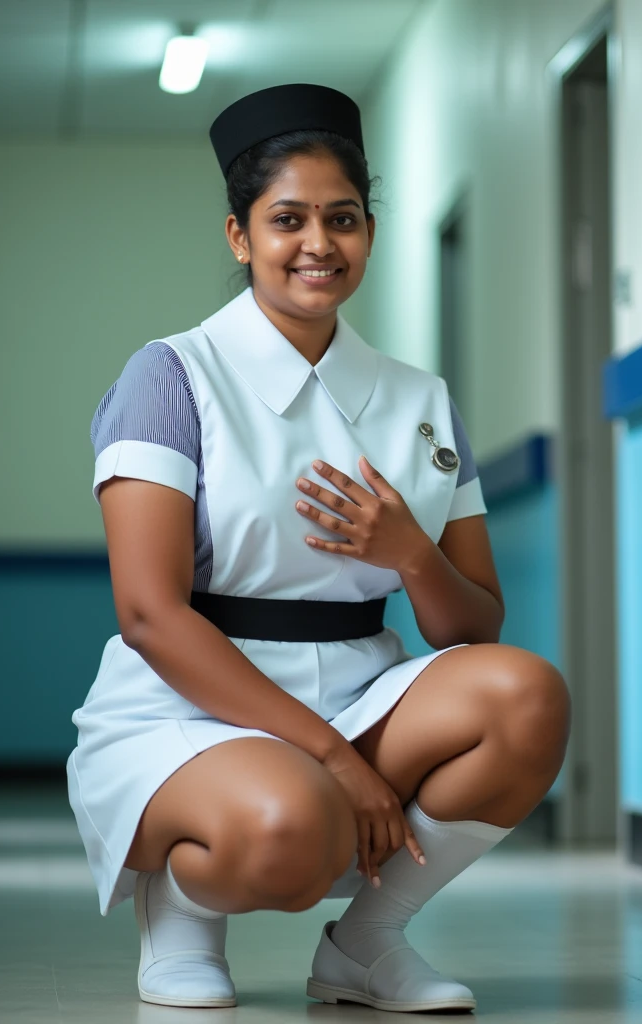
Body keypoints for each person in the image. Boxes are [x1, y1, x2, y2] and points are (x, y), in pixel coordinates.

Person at [66, 83, 570, 1013]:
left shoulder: (420, 398)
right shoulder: (171, 377)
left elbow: (478, 626)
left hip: (359, 683)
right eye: (286, 219)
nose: (318, 244)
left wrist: (413, 554)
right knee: (293, 830)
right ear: (238, 236)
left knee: (527, 697)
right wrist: (336, 766)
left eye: (342, 219)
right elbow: (147, 614)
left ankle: (365, 945)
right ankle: (177, 905)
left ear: (369, 233)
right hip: (189, 700)